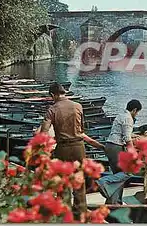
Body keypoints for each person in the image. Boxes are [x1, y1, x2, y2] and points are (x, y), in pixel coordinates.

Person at [39, 83, 105, 218]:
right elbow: (81, 129)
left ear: (53, 95)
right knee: (79, 181)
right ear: (64, 92)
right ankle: (80, 212)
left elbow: (44, 133)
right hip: (78, 147)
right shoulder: (78, 106)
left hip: (63, 148)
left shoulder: (52, 109)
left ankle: (64, 211)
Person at [105, 99, 142, 174]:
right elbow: (127, 139)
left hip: (109, 145)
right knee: (121, 174)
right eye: (137, 112)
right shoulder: (128, 118)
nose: (136, 114)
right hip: (115, 147)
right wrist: (134, 154)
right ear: (134, 110)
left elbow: (121, 132)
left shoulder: (121, 115)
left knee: (116, 172)